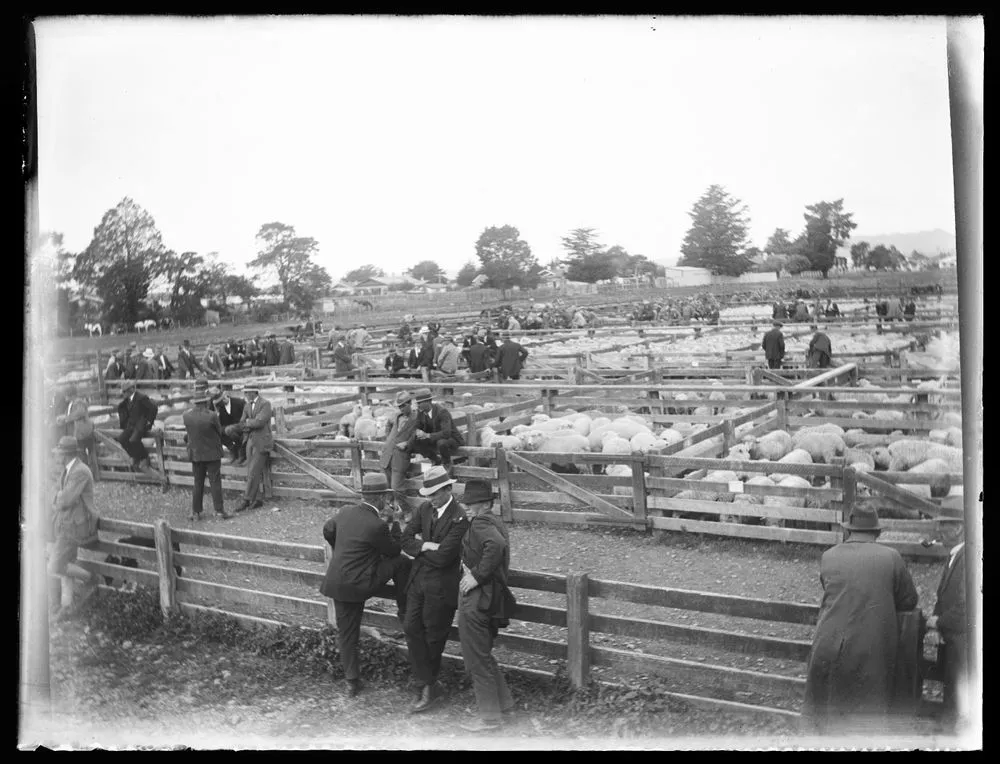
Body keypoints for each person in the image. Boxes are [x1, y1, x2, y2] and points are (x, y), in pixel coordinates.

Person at [802, 506, 919, 735]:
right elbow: (909, 600)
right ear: (876, 532)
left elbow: (830, 589)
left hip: (829, 643)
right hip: (870, 648)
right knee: (866, 718)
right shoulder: (891, 557)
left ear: (849, 530)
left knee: (829, 714)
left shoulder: (829, 556)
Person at [320, 473, 411, 698]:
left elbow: (327, 530)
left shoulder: (344, 512)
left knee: (347, 633)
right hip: (361, 583)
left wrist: (339, 548)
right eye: (386, 498)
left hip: (337, 583)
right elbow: (393, 551)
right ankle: (404, 608)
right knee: (402, 562)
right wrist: (397, 523)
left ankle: (352, 682)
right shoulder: (377, 525)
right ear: (380, 498)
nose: (387, 502)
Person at [400, 466, 471, 713]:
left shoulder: (459, 518)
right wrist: (426, 546)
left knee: (433, 637)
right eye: (427, 494)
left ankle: (428, 687)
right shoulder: (424, 509)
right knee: (410, 627)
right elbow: (405, 539)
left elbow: (443, 558)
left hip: (441, 588)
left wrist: (421, 551)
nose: (430, 498)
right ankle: (428, 682)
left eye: (434, 494)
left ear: (448, 489)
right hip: (418, 581)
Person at [457, 480, 517, 732]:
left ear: (486, 504)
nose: (467, 507)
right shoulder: (494, 521)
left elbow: (496, 546)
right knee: (483, 654)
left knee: (476, 660)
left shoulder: (481, 523)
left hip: (478, 599)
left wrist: (476, 576)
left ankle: (490, 718)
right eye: (466, 503)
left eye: (473, 503)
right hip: (491, 598)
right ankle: (504, 707)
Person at [48, 436, 101, 618]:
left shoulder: (80, 471)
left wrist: (57, 497)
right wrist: (57, 496)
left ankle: (91, 578)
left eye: (59, 453)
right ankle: (67, 606)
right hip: (67, 524)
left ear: (66, 454)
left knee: (54, 566)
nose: (56, 456)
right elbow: (54, 494)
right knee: (65, 566)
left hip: (76, 526)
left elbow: (65, 500)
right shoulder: (68, 470)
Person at [927, 517, 968, 728]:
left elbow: (967, 605)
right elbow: (944, 597)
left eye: (944, 525)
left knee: (958, 703)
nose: (939, 530)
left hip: (963, 644)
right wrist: (936, 623)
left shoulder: (968, 558)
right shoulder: (955, 556)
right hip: (952, 641)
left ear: (960, 527)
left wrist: (939, 621)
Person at [182, 381, 232, 521]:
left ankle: (196, 512)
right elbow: (218, 431)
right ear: (205, 402)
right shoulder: (212, 415)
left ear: (195, 403)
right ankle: (219, 511)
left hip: (196, 453)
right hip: (212, 453)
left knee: (198, 483)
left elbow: (189, 434)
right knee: (215, 482)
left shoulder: (186, 416)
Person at [234, 383, 273, 513]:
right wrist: (250, 423)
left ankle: (246, 499)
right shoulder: (247, 405)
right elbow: (241, 423)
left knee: (253, 471)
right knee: (251, 471)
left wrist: (249, 423)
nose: (245, 395)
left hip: (262, 442)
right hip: (250, 441)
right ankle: (257, 499)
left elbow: (260, 422)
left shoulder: (265, 404)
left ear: (253, 392)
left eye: (246, 393)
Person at [381, 391, 419, 512]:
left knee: (396, 487)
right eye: (399, 406)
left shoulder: (416, 418)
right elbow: (389, 427)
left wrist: (408, 444)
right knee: (385, 486)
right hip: (387, 455)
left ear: (410, 403)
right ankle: (390, 510)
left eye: (403, 405)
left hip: (401, 456)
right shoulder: (397, 416)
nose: (401, 408)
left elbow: (417, 435)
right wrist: (387, 441)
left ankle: (407, 511)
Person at [410, 388, 464, 471]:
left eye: (420, 403)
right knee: (414, 441)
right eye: (418, 403)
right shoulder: (421, 413)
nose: (418, 405)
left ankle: (447, 463)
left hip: (451, 439)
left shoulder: (442, 411)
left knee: (441, 443)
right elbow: (415, 427)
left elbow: (446, 433)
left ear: (428, 402)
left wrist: (427, 435)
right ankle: (435, 459)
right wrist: (417, 432)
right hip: (434, 438)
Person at [116, 379, 158, 471]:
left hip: (140, 425)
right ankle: (135, 456)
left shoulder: (141, 397)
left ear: (131, 390)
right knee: (121, 439)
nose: (123, 394)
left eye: (124, 391)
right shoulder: (127, 401)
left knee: (133, 440)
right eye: (123, 392)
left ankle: (144, 457)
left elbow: (153, 408)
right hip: (131, 426)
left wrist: (149, 422)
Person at [209, 386, 247, 465]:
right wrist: (217, 414)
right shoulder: (216, 406)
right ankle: (232, 449)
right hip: (226, 429)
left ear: (225, 396)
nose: (219, 405)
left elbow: (247, 418)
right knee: (215, 430)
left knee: (229, 430)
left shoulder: (239, 402)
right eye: (217, 403)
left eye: (221, 401)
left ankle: (241, 452)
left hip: (241, 428)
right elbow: (213, 422)